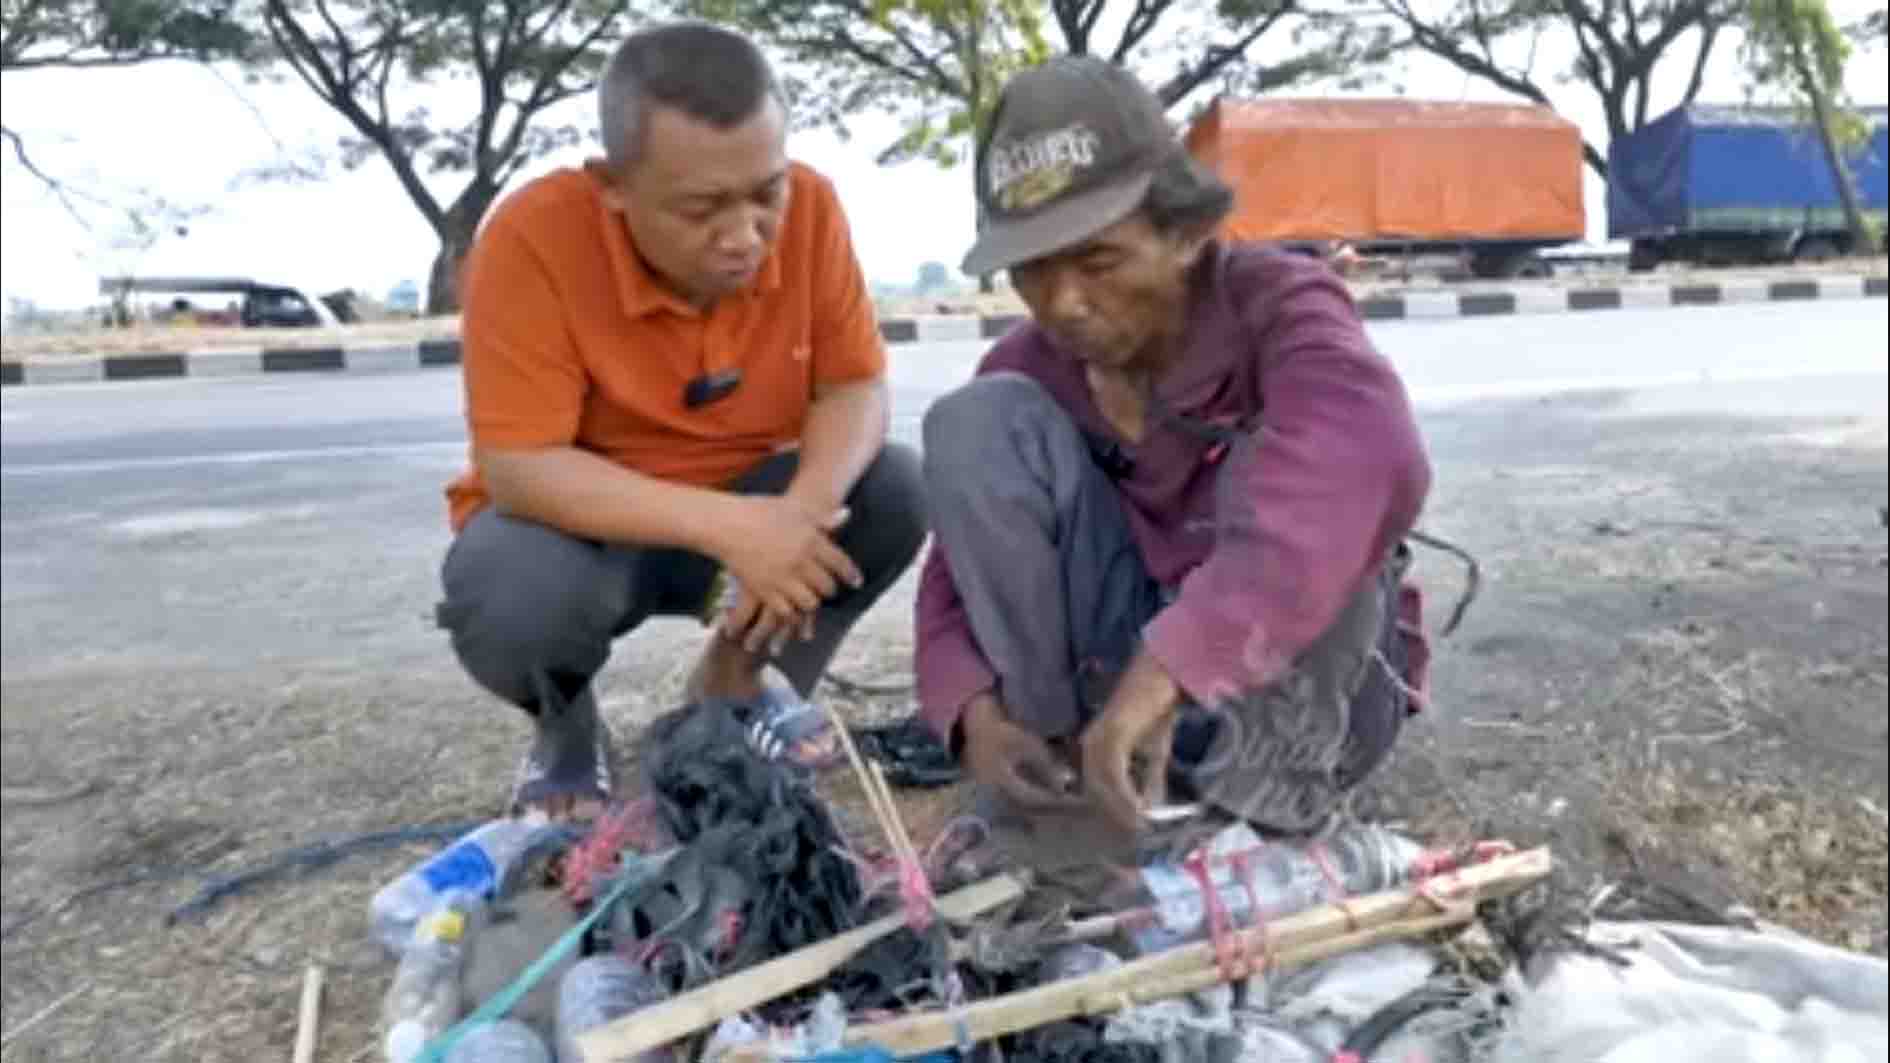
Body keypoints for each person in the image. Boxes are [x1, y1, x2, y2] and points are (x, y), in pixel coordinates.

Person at [914, 56, 1434, 894]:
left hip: (1293, 694)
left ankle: (1263, 814)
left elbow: (1376, 454)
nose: (1063, 303)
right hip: (1119, 699)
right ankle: (1068, 782)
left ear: (1185, 231)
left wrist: (1174, 665)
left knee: (1298, 465)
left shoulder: (1279, 305)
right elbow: (954, 572)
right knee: (973, 428)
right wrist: (972, 710)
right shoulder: (1029, 365)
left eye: (1098, 261)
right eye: (1032, 270)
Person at [436, 22, 927, 822]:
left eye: (765, 193)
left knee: (893, 488)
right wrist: (739, 529)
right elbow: (519, 465)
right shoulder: (532, 238)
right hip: (590, 532)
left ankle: (734, 685)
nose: (745, 236)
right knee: (506, 590)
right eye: (701, 208)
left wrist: (797, 518)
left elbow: (855, 386)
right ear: (614, 187)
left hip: (751, 509)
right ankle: (566, 727)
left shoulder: (814, 210)